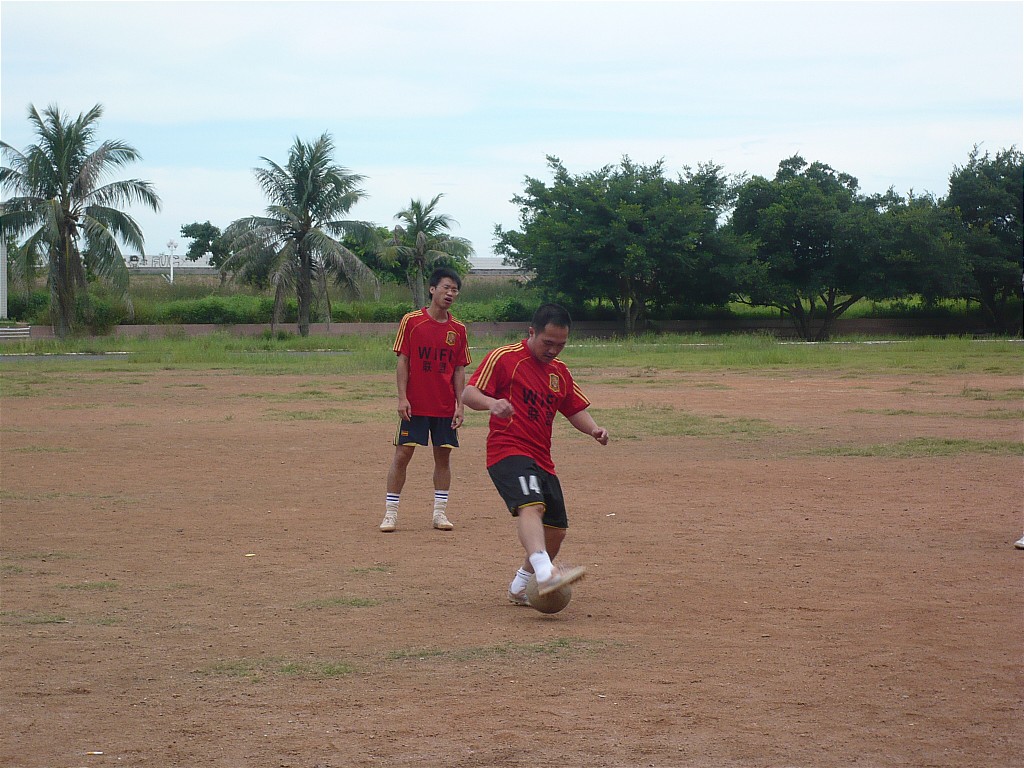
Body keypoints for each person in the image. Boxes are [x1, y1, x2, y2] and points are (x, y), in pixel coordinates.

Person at [462, 303, 609, 604]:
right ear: (532, 332)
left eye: (561, 345)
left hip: (542, 458)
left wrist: (594, 429)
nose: (553, 350)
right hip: (507, 449)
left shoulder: (560, 372)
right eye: (548, 342)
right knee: (532, 506)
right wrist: (492, 404)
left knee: (556, 531)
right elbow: (469, 393)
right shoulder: (505, 358)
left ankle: (520, 586)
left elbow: (574, 409)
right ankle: (546, 573)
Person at [381, 267, 471, 533]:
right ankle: (390, 514)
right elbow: (403, 361)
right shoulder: (411, 321)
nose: (450, 293)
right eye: (446, 288)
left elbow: (459, 369)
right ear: (432, 289)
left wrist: (460, 405)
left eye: (455, 290)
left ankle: (439, 514)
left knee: (443, 458)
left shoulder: (458, 329)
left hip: (444, 407)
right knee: (402, 455)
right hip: (415, 405)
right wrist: (402, 398)